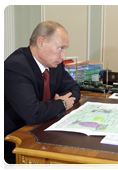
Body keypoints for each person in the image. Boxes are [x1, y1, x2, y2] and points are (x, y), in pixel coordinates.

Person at [4, 21, 81, 168]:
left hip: (44, 132)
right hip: (13, 143)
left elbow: (75, 90)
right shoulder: (16, 66)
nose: (64, 56)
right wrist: (61, 103)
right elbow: (33, 113)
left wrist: (52, 106)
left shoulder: (54, 64)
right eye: (60, 48)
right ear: (41, 42)